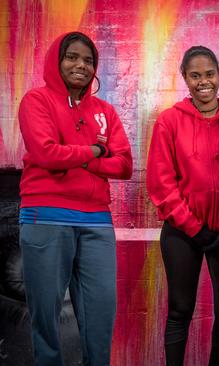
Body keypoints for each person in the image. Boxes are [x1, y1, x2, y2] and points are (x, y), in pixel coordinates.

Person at [18, 31, 133, 365]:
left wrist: (79, 156)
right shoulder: (36, 101)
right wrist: (97, 151)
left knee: (100, 312)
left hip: (96, 220)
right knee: (45, 314)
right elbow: (46, 153)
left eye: (88, 60)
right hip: (46, 217)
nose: (81, 65)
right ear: (57, 61)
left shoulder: (105, 112)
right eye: (72, 57)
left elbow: (124, 164)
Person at [146, 46, 219, 366]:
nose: (203, 82)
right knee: (180, 308)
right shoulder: (169, 122)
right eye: (195, 76)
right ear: (185, 78)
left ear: (218, 75)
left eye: (209, 74)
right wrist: (193, 228)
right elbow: (161, 183)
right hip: (182, 232)